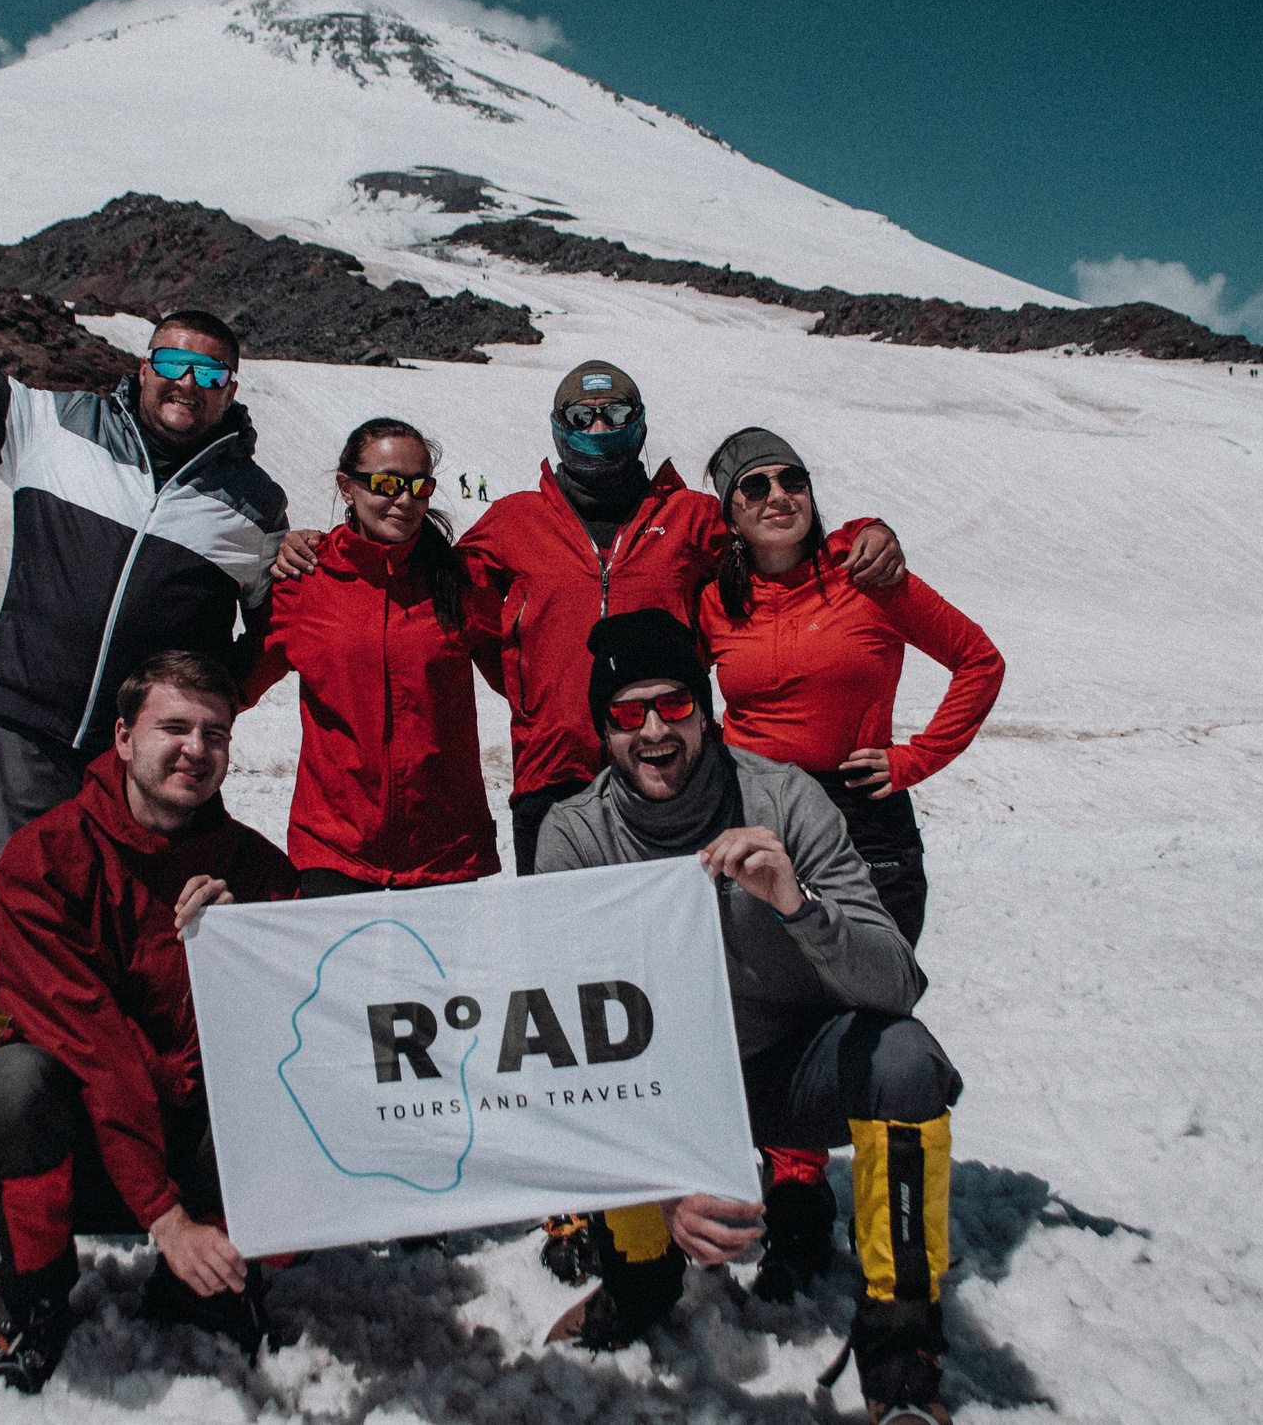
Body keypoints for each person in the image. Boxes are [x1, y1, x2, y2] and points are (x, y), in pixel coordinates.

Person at [267, 359, 904, 1281]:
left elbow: (777, 535)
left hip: (677, 779)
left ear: (641, 421)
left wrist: (864, 532)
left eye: (616, 410)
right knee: (566, 999)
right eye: (581, 410)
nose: (598, 423)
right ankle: (588, 1191)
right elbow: (440, 596)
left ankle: (783, 1164)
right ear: (557, 422)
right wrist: (308, 547)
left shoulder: (688, 517)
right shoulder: (508, 526)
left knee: (735, 969)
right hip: (556, 786)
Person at [0, 182, 290, 1258]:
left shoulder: (252, 511)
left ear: (230, 392)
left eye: (212, 371)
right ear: (143, 365)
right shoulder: (49, 424)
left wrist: (196, 731)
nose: (189, 381)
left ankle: (133, 1175)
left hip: (139, 772)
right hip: (29, 735)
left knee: (133, 969)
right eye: (174, 358)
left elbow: (263, 644)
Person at [537, 610, 964, 1424]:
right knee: (595, 1076)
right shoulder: (577, 834)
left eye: (674, 704)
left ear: (706, 708)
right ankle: (637, 1279)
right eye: (629, 713)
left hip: (782, 1067)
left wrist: (799, 908)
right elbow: (576, 1048)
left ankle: (900, 1341)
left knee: (905, 1059)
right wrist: (664, 1188)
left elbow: (896, 982)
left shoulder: (784, 798)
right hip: (657, 1086)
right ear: (604, 729)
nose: (655, 729)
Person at [0, 650, 301, 1392]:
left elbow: (301, 1039)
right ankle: (32, 1294)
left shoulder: (260, 876)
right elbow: (95, 1051)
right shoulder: (41, 860)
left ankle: (212, 1282)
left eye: (216, 733)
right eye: (174, 727)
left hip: (191, 1138)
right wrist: (164, 1217)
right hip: (82, 1153)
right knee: (6, 1090)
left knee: (305, 1106)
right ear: (124, 736)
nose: (196, 749)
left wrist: (246, 950)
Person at [698, 427, 1004, 1303]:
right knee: (779, 1007)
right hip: (766, 820)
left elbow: (979, 660)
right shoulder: (717, 600)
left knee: (869, 1011)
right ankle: (796, 1202)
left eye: (790, 476)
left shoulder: (868, 574)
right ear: (730, 510)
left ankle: (890, 1248)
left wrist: (914, 759)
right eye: (752, 486)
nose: (775, 494)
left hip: (869, 825)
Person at [238, 419, 504, 893]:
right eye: (386, 484)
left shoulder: (460, 582)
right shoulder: (306, 582)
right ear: (347, 486)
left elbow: (526, 680)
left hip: (446, 858)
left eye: (420, 487)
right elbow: (232, 687)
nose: (405, 501)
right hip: (333, 853)